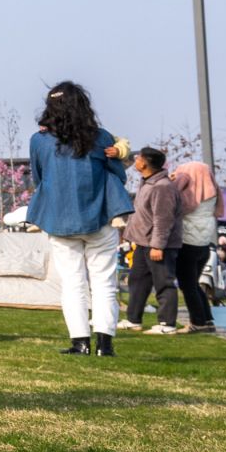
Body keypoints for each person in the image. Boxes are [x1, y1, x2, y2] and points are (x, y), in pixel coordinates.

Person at [25, 80, 132, 356]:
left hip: (60, 219)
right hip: (100, 219)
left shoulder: (39, 141)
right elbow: (119, 173)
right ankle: (105, 344)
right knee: (104, 282)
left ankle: (80, 342)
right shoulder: (101, 137)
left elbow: (39, 177)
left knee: (72, 283)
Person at [119, 147, 182, 335]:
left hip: (158, 245)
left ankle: (167, 324)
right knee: (137, 281)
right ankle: (133, 320)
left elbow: (163, 219)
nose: (135, 160)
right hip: (143, 242)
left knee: (163, 283)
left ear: (146, 163)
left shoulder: (162, 187)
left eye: (138, 158)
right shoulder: (147, 182)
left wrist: (158, 245)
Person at [170, 158, 223, 333]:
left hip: (187, 243)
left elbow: (174, 204)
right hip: (203, 245)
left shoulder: (190, 194)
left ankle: (198, 322)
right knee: (194, 284)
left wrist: (172, 181)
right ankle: (207, 319)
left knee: (187, 286)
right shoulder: (212, 194)